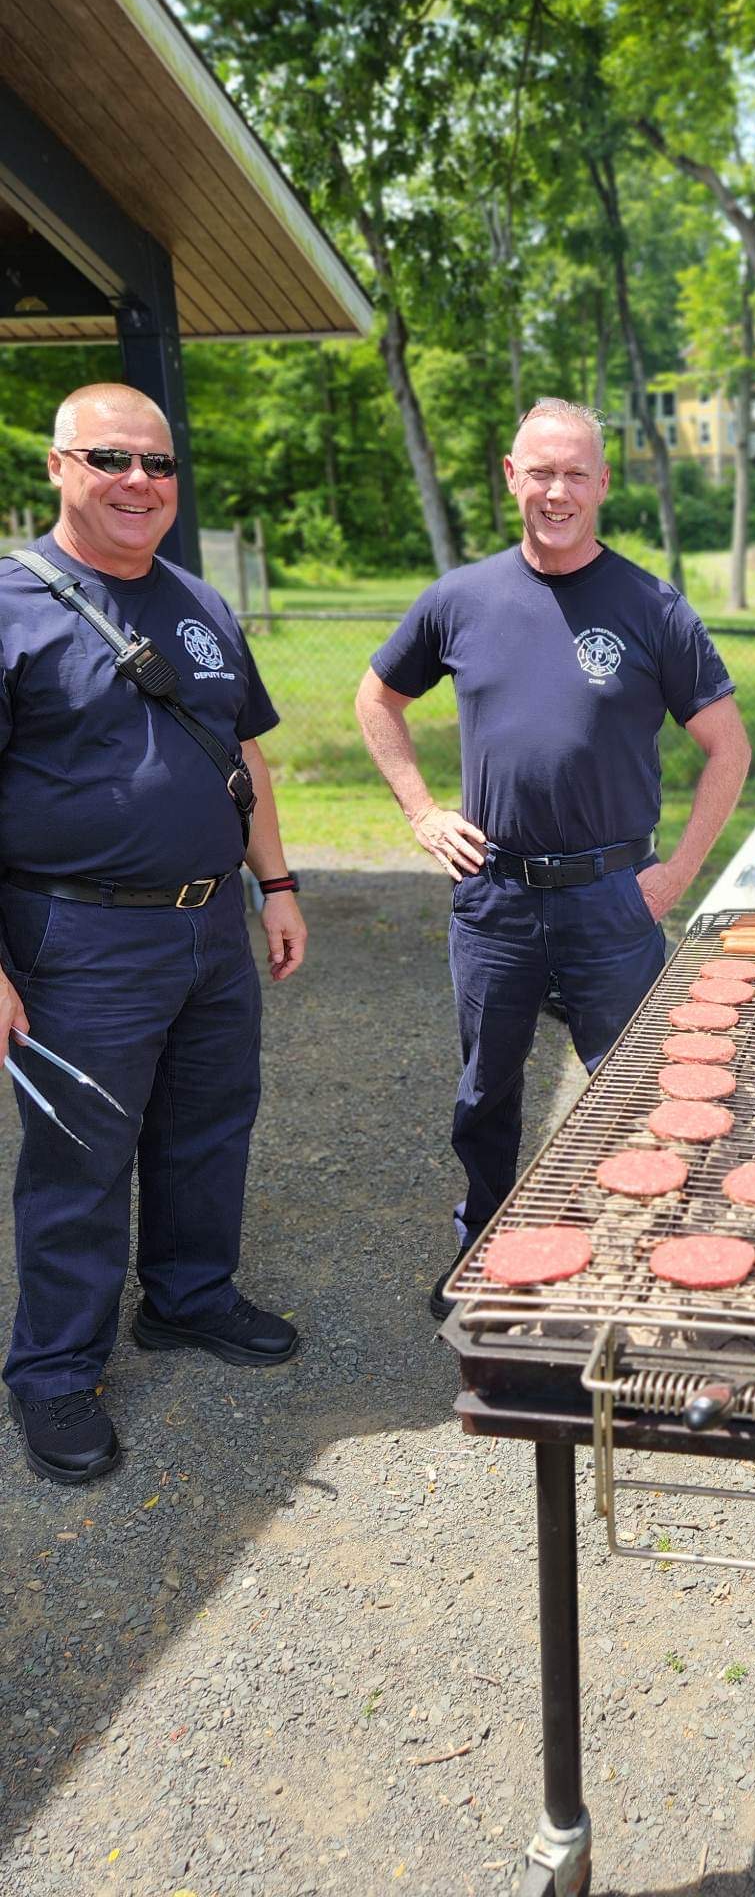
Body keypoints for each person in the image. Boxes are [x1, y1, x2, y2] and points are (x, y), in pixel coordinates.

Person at [356, 399, 750, 1316]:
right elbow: (378, 700)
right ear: (510, 476)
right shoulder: (460, 599)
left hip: (615, 901)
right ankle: (485, 1251)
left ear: (604, 484)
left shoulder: (652, 606)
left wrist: (677, 875)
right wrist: (421, 811)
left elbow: (728, 749)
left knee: (639, 1096)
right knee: (487, 1093)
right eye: (540, 472)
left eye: (576, 473)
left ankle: (647, 1264)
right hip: (493, 899)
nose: (557, 490)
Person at [0, 384, 306, 1485]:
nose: (140, 481)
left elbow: (246, 754)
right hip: (76, 936)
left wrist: (276, 882)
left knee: (210, 1119)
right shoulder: (12, 603)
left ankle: (185, 1296)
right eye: (111, 458)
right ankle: (53, 1371)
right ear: (57, 467)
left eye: (159, 464)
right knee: (82, 1159)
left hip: (210, 922)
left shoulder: (199, 603)